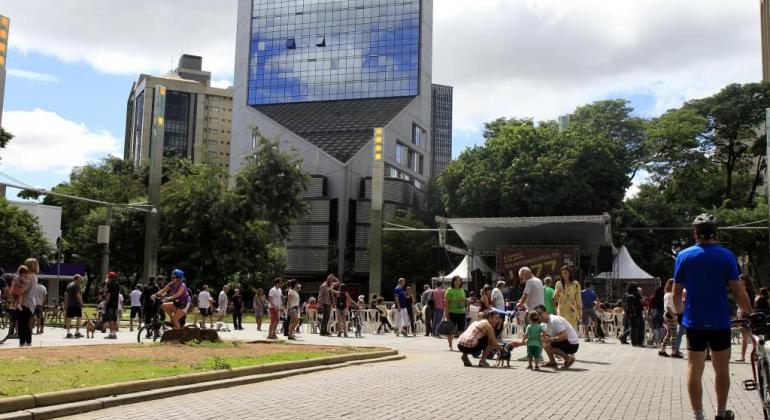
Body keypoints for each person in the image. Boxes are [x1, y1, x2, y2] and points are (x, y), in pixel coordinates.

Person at [673, 213, 752, 420]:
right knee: (721, 369)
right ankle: (720, 413)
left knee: (694, 368)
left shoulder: (683, 256)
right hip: (719, 321)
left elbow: (675, 293)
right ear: (715, 234)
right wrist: (752, 312)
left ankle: (698, 416)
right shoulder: (726, 255)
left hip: (694, 321)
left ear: (695, 234)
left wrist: (681, 314)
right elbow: (738, 291)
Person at [534, 304, 579, 369]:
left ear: (546, 312)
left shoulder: (554, 320)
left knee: (547, 343)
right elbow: (537, 339)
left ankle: (568, 358)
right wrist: (519, 344)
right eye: (536, 315)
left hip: (572, 344)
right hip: (565, 342)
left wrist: (551, 339)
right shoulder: (543, 324)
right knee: (544, 342)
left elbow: (564, 336)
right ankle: (552, 362)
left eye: (540, 313)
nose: (538, 316)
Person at [444, 275, 467, 351]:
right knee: (450, 330)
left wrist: (466, 303)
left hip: (462, 312)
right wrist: (446, 314)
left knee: (461, 330)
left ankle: (461, 346)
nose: (458, 282)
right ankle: (450, 345)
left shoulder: (462, 290)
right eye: (456, 281)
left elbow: (464, 300)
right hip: (452, 313)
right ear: (453, 282)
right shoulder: (449, 290)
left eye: (459, 281)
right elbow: (446, 303)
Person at [659, 279, 680, 358]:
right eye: (674, 284)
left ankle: (662, 350)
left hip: (669, 315)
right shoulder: (669, 295)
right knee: (674, 334)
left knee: (669, 334)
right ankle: (674, 352)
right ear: (671, 285)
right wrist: (674, 316)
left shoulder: (668, 294)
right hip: (670, 316)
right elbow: (668, 307)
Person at [737, 275, 756, 362]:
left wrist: (740, 316)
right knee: (753, 337)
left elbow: (744, 304)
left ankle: (742, 356)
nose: (739, 281)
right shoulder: (752, 290)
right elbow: (753, 304)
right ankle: (756, 355)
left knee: (745, 337)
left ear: (744, 281)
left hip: (745, 315)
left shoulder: (744, 290)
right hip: (751, 313)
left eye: (740, 279)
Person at [624, 282, 645, 347]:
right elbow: (641, 301)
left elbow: (624, 303)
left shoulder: (626, 294)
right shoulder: (636, 294)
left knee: (632, 328)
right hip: (638, 312)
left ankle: (633, 342)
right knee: (640, 327)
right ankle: (639, 341)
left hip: (629, 313)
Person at [64, 274, 84, 339]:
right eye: (80, 278)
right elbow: (78, 295)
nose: (81, 279)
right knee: (79, 318)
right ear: (77, 279)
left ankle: (68, 332)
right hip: (76, 304)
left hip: (70, 304)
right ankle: (77, 332)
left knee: (69, 318)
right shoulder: (77, 285)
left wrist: (66, 304)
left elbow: (66, 295)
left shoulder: (69, 285)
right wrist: (81, 303)